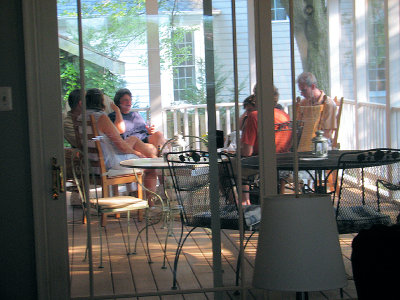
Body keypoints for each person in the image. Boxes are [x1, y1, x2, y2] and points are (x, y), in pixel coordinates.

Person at [84, 88, 157, 204]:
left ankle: (137, 195)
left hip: (92, 165)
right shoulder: (101, 117)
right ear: (101, 102)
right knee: (151, 166)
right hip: (110, 163)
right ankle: (151, 205)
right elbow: (121, 146)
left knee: (145, 156)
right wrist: (139, 154)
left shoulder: (80, 118)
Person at [108, 88, 166, 153]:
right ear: (118, 102)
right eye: (125, 100)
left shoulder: (135, 115)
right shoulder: (113, 116)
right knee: (156, 148)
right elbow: (119, 131)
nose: (129, 102)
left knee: (159, 134)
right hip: (134, 143)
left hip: (144, 139)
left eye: (130, 100)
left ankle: (161, 156)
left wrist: (149, 131)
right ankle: (160, 157)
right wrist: (117, 111)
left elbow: (146, 132)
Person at [241, 88, 292, 157]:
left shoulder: (254, 116)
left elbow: (247, 152)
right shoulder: (284, 115)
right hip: (283, 161)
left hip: (260, 162)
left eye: (255, 95)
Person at [297, 72, 337, 140]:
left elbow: (327, 132)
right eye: (300, 91)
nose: (302, 94)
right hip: (304, 142)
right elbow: (298, 125)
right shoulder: (303, 103)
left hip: (322, 142)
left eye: (304, 90)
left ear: (313, 86)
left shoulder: (328, 104)